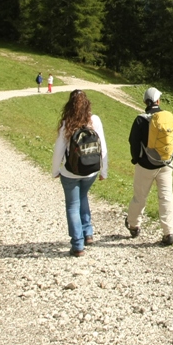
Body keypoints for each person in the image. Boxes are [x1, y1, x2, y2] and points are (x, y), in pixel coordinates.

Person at [51, 90, 108, 257]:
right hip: (90, 170)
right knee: (82, 197)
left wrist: (55, 171)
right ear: (87, 104)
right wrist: (103, 170)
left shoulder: (66, 123)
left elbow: (59, 151)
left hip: (70, 172)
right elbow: (102, 147)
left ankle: (77, 245)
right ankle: (88, 233)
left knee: (72, 205)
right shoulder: (94, 120)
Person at [125, 87, 173, 246]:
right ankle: (169, 232)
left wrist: (136, 159)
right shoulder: (169, 117)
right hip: (166, 165)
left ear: (145, 102)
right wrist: (168, 158)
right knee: (166, 197)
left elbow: (133, 142)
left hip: (145, 165)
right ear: (158, 101)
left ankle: (134, 225)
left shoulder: (140, 119)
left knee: (140, 196)